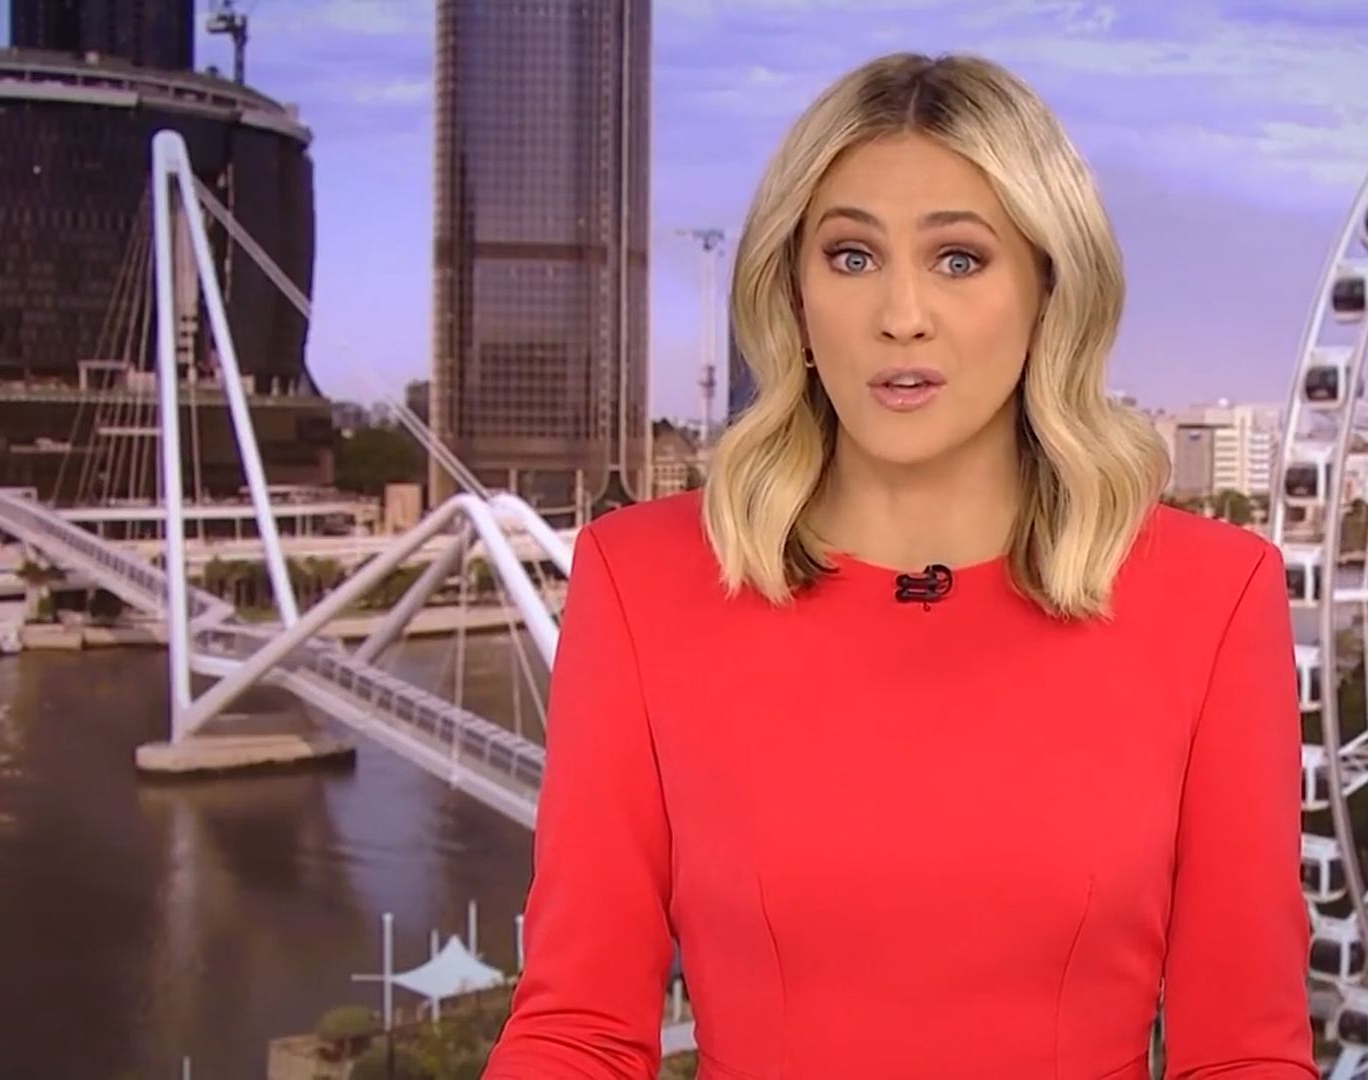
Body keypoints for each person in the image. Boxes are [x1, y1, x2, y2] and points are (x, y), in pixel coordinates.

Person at [484, 52, 1316, 1080]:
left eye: (959, 259)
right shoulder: (640, 580)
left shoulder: (1212, 600)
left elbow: (1242, 1054)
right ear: (794, 295)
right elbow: (579, 1032)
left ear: (1049, 289)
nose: (901, 314)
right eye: (851, 256)